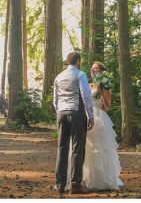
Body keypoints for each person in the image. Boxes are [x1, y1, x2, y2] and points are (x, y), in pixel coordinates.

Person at [53, 52, 94, 195]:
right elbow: (86, 95)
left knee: (62, 148)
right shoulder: (80, 75)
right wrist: (90, 115)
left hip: (61, 113)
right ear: (77, 61)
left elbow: (55, 99)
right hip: (76, 113)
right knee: (77, 149)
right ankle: (75, 185)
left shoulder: (58, 76)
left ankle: (60, 184)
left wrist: (60, 112)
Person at [81, 62, 123, 191]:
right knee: (87, 147)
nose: (93, 70)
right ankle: (87, 177)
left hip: (99, 116)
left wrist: (101, 90)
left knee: (101, 147)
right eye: (92, 68)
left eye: (96, 68)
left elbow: (107, 104)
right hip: (87, 115)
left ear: (101, 70)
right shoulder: (88, 84)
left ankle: (102, 179)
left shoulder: (105, 83)